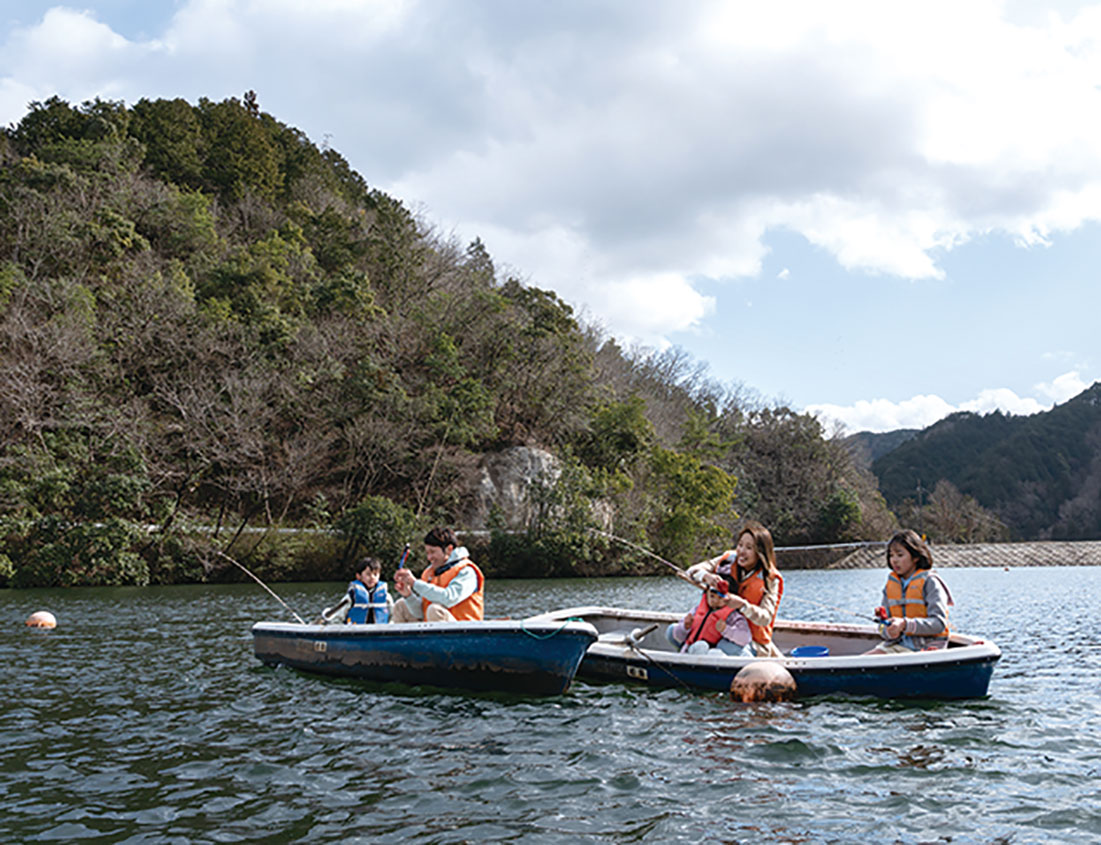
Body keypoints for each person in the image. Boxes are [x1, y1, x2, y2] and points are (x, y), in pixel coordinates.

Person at [685, 520, 784, 657]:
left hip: (753, 642)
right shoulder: (729, 559)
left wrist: (743, 606)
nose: (741, 551)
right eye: (740, 545)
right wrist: (706, 576)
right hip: (719, 632)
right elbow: (691, 571)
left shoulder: (771, 579)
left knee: (723, 646)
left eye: (749, 548)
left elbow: (765, 618)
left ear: (760, 553)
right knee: (681, 634)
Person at [867, 529, 952, 654]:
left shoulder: (930, 582)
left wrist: (904, 624)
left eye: (900, 555)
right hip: (898, 645)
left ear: (916, 557)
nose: (894, 560)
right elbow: (882, 627)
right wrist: (888, 631)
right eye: (891, 555)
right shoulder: (890, 586)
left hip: (927, 648)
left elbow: (939, 623)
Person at [391, 527, 485, 623]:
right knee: (401, 605)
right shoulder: (428, 572)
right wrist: (408, 595)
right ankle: (396, 638)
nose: (429, 557)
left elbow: (448, 599)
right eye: (427, 553)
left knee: (435, 610)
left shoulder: (467, 572)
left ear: (449, 549)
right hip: (436, 626)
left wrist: (415, 583)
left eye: (433, 552)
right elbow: (422, 612)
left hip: (466, 632)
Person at [665, 580, 754, 656]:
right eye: (712, 596)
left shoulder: (734, 616)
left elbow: (745, 638)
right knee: (672, 629)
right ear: (706, 594)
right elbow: (679, 636)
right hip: (693, 648)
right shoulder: (697, 610)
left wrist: (726, 629)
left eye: (720, 598)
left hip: (715, 652)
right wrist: (685, 627)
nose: (715, 601)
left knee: (714, 647)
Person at [346, 557, 391, 624]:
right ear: (358, 576)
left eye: (375, 574)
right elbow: (340, 613)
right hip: (356, 631)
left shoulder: (386, 596)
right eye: (368, 574)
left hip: (380, 631)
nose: (372, 577)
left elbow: (393, 613)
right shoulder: (352, 595)